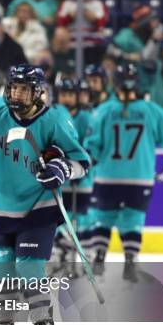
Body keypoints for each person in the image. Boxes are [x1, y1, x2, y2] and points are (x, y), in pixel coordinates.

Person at [0, 64, 90, 325]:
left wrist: (62, 168)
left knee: (28, 265)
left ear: (39, 92)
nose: (16, 93)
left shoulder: (54, 119)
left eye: (24, 89)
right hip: (3, 205)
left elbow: (82, 162)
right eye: (13, 87)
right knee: (2, 266)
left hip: (40, 205)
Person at [85, 63, 163, 281]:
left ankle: (99, 256)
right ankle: (130, 259)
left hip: (107, 176)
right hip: (140, 178)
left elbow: (92, 145)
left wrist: (88, 160)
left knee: (103, 217)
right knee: (134, 218)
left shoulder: (105, 110)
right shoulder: (152, 110)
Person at [50, 78, 94, 271]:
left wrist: (81, 165)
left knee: (80, 218)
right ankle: (61, 250)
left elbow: (91, 146)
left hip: (81, 181)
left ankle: (83, 252)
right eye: (63, 94)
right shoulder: (53, 116)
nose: (66, 99)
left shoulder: (87, 118)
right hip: (60, 181)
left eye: (70, 95)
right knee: (57, 218)